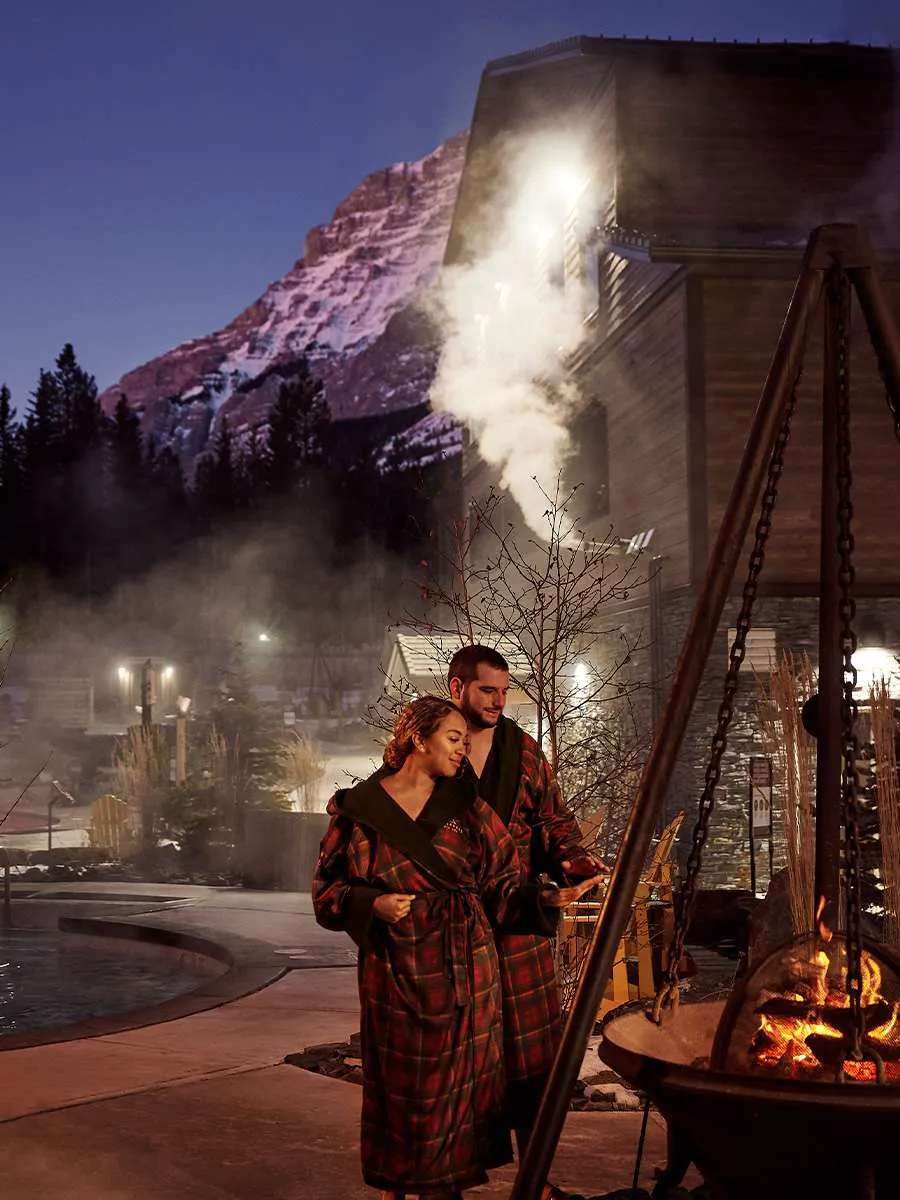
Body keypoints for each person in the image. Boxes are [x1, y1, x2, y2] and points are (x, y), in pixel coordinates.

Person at [312, 696, 601, 1200]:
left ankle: (444, 1191)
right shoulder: (359, 811)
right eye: (452, 738)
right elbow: (326, 894)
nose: (462, 750)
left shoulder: (468, 810)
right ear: (418, 739)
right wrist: (371, 904)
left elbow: (503, 887)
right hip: (397, 973)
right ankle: (400, 1184)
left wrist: (549, 895)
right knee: (407, 1093)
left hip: (468, 971)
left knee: (457, 1096)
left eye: (466, 742)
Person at [448, 646, 606, 1200]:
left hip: (517, 918)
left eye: (504, 691)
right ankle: (444, 1181)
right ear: (457, 688)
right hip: (457, 920)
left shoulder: (524, 750)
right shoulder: (435, 747)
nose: (498, 701)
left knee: (531, 1054)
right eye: (487, 690)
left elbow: (554, 819)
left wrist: (574, 858)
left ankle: (534, 1180)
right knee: (460, 1055)